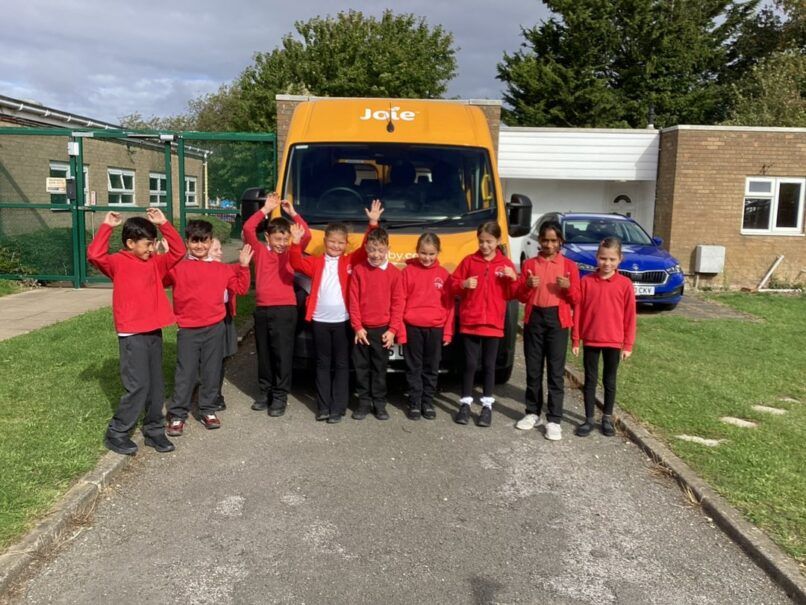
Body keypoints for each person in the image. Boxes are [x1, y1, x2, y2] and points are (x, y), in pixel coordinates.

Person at [87, 208, 185, 455]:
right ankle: (117, 432)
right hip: (132, 334)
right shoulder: (117, 262)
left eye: (153, 243)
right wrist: (107, 227)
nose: (151, 249)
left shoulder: (155, 263)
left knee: (156, 386)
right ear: (130, 243)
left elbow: (179, 251)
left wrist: (164, 223)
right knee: (138, 385)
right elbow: (95, 254)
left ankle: (154, 430)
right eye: (147, 244)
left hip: (153, 332)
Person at [288, 200, 383, 423]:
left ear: (346, 244)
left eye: (341, 242)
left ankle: (338, 408)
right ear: (325, 241)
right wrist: (295, 242)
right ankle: (323, 407)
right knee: (322, 364)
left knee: (341, 364)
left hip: (343, 321)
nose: (336, 246)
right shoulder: (316, 263)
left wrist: (373, 223)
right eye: (332, 241)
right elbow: (296, 262)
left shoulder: (350, 261)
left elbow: (366, 248)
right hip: (320, 321)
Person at [164, 220, 252, 435]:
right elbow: (161, 278)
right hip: (188, 329)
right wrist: (166, 256)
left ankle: (208, 409)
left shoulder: (222, 269)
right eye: (195, 241)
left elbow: (241, 289)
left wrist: (243, 266)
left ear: (211, 241)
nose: (200, 246)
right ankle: (177, 414)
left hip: (214, 328)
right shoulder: (178, 268)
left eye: (204, 241)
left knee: (211, 371)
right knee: (186, 373)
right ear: (187, 242)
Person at [242, 192, 311, 416]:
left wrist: (293, 213)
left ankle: (280, 396)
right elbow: (248, 229)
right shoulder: (260, 251)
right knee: (264, 354)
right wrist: (265, 209)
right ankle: (265, 392)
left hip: (285, 310)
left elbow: (307, 234)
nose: (281, 243)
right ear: (268, 237)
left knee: (282, 354)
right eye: (277, 239)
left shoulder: (292, 253)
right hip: (263, 309)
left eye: (285, 239)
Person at [516, 221, 580, 441]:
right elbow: (520, 296)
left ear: (560, 241)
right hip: (534, 319)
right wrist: (527, 285)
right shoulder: (530, 264)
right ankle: (532, 412)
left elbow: (577, 298)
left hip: (557, 321)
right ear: (539, 241)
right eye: (545, 240)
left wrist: (568, 288)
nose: (549, 245)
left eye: (553, 240)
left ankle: (554, 419)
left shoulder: (569, 266)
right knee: (533, 369)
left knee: (555, 371)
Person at [451, 221, 519, 427]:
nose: (485, 245)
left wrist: (513, 278)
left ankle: (487, 406)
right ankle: (465, 404)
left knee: (489, 365)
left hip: (493, 324)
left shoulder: (505, 264)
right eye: (481, 241)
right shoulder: (469, 261)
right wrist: (463, 284)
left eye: (489, 241)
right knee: (470, 364)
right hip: (471, 322)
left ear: (498, 241)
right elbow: (452, 284)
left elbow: (513, 294)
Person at [572, 236, 637, 437]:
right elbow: (578, 311)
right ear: (596, 257)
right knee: (590, 380)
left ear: (620, 259)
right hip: (591, 339)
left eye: (611, 259)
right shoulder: (586, 282)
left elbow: (630, 316)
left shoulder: (625, 284)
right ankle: (589, 418)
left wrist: (628, 344)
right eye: (602, 258)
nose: (607, 263)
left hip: (613, 341)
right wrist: (576, 339)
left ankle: (607, 417)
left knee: (610, 380)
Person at [348, 227, 404, 420]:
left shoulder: (394, 273)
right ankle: (363, 403)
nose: (376, 254)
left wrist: (393, 330)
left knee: (379, 369)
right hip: (362, 331)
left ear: (388, 249)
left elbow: (398, 303)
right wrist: (357, 326)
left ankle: (379, 404)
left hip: (382, 330)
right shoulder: (358, 270)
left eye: (380, 250)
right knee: (361, 369)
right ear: (366, 248)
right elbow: (353, 301)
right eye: (372, 250)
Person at [400, 232, 454, 420]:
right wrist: (400, 330)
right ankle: (415, 402)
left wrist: (448, 332)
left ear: (438, 252)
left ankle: (428, 402)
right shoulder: (407, 272)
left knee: (431, 367)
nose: (427, 258)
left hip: (436, 328)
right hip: (412, 327)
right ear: (417, 251)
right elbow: (400, 302)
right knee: (414, 367)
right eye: (423, 253)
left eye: (432, 254)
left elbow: (450, 305)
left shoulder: (444, 275)